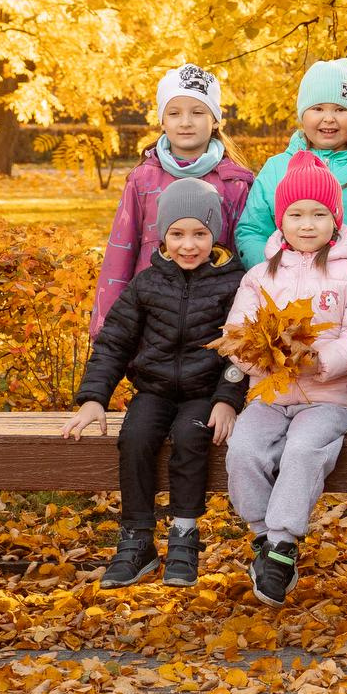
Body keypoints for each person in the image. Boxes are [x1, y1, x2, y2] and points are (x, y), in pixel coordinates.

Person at [65, 178, 246, 589]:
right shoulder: (147, 284)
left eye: (200, 233)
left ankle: (184, 534)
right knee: (136, 438)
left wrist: (227, 399)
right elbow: (114, 342)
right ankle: (137, 539)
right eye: (177, 234)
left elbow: (243, 351)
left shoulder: (234, 282)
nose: (188, 245)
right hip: (155, 389)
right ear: (162, 235)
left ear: (214, 234)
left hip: (204, 394)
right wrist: (93, 398)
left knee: (189, 437)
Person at [224, 153, 347, 606]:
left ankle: (284, 544)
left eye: (319, 214)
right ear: (281, 220)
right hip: (269, 395)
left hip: (327, 398)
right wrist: (258, 358)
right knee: (245, 449)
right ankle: (264, 540)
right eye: (296, 214)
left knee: (302, 450)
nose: (307, 224)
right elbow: (238, 336)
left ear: (336, 221)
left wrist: (320, 360)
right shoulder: (259, 277)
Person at [90, 64, 252, 336]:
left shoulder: (234, 183)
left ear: (215, 120)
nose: (186, 122)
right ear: (162, 121)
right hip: (152, 321)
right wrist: (107, 326)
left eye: (198, 112)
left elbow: (243, 256)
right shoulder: (143, 180)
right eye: (174, 113)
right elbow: (121, 252)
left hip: (213, 322)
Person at [235, 58, 347, 296]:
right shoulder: (277, 169)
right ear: (303, 114)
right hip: (289, 297)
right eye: (318, 108)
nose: (329, 118)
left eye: (341, 109)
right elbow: (252, 230)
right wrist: (270, 274)